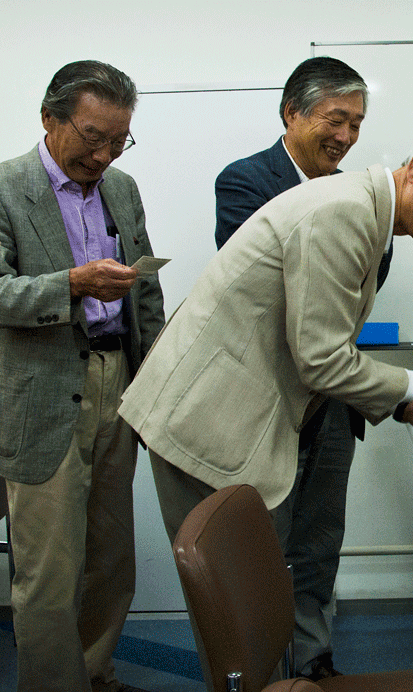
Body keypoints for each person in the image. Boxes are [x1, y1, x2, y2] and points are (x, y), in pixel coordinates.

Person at [117, 118, 413, 672]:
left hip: (235, 414)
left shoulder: (364, 213)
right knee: (237, 616)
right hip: (205, 422)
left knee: (255, 603)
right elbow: (322, 359)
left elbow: (316, 344)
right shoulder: (343, 212)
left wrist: (405, 404)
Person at [0, 60, 165, 692]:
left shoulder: (122, 188)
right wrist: (72, 284)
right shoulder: (7, 188)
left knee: (110, 557)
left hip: (117, 382)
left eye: (118, 141)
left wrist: (151, 387)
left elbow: (145, 296)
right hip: (42, 392)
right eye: (92, 137)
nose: (102, 155)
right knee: (48, 570)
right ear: (49, 117)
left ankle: (96, 673)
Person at [212, 56, 378, 680]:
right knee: (264, 540)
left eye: (356, 123)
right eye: (336, 119)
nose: (346, 136)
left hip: (333, 397)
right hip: (268, 398)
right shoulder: (246, 181)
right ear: (292, 113)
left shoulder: (358, 193)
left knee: (319, 539)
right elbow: (262, 282)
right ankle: (262, 668)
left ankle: (312, 658)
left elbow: (370, 274)